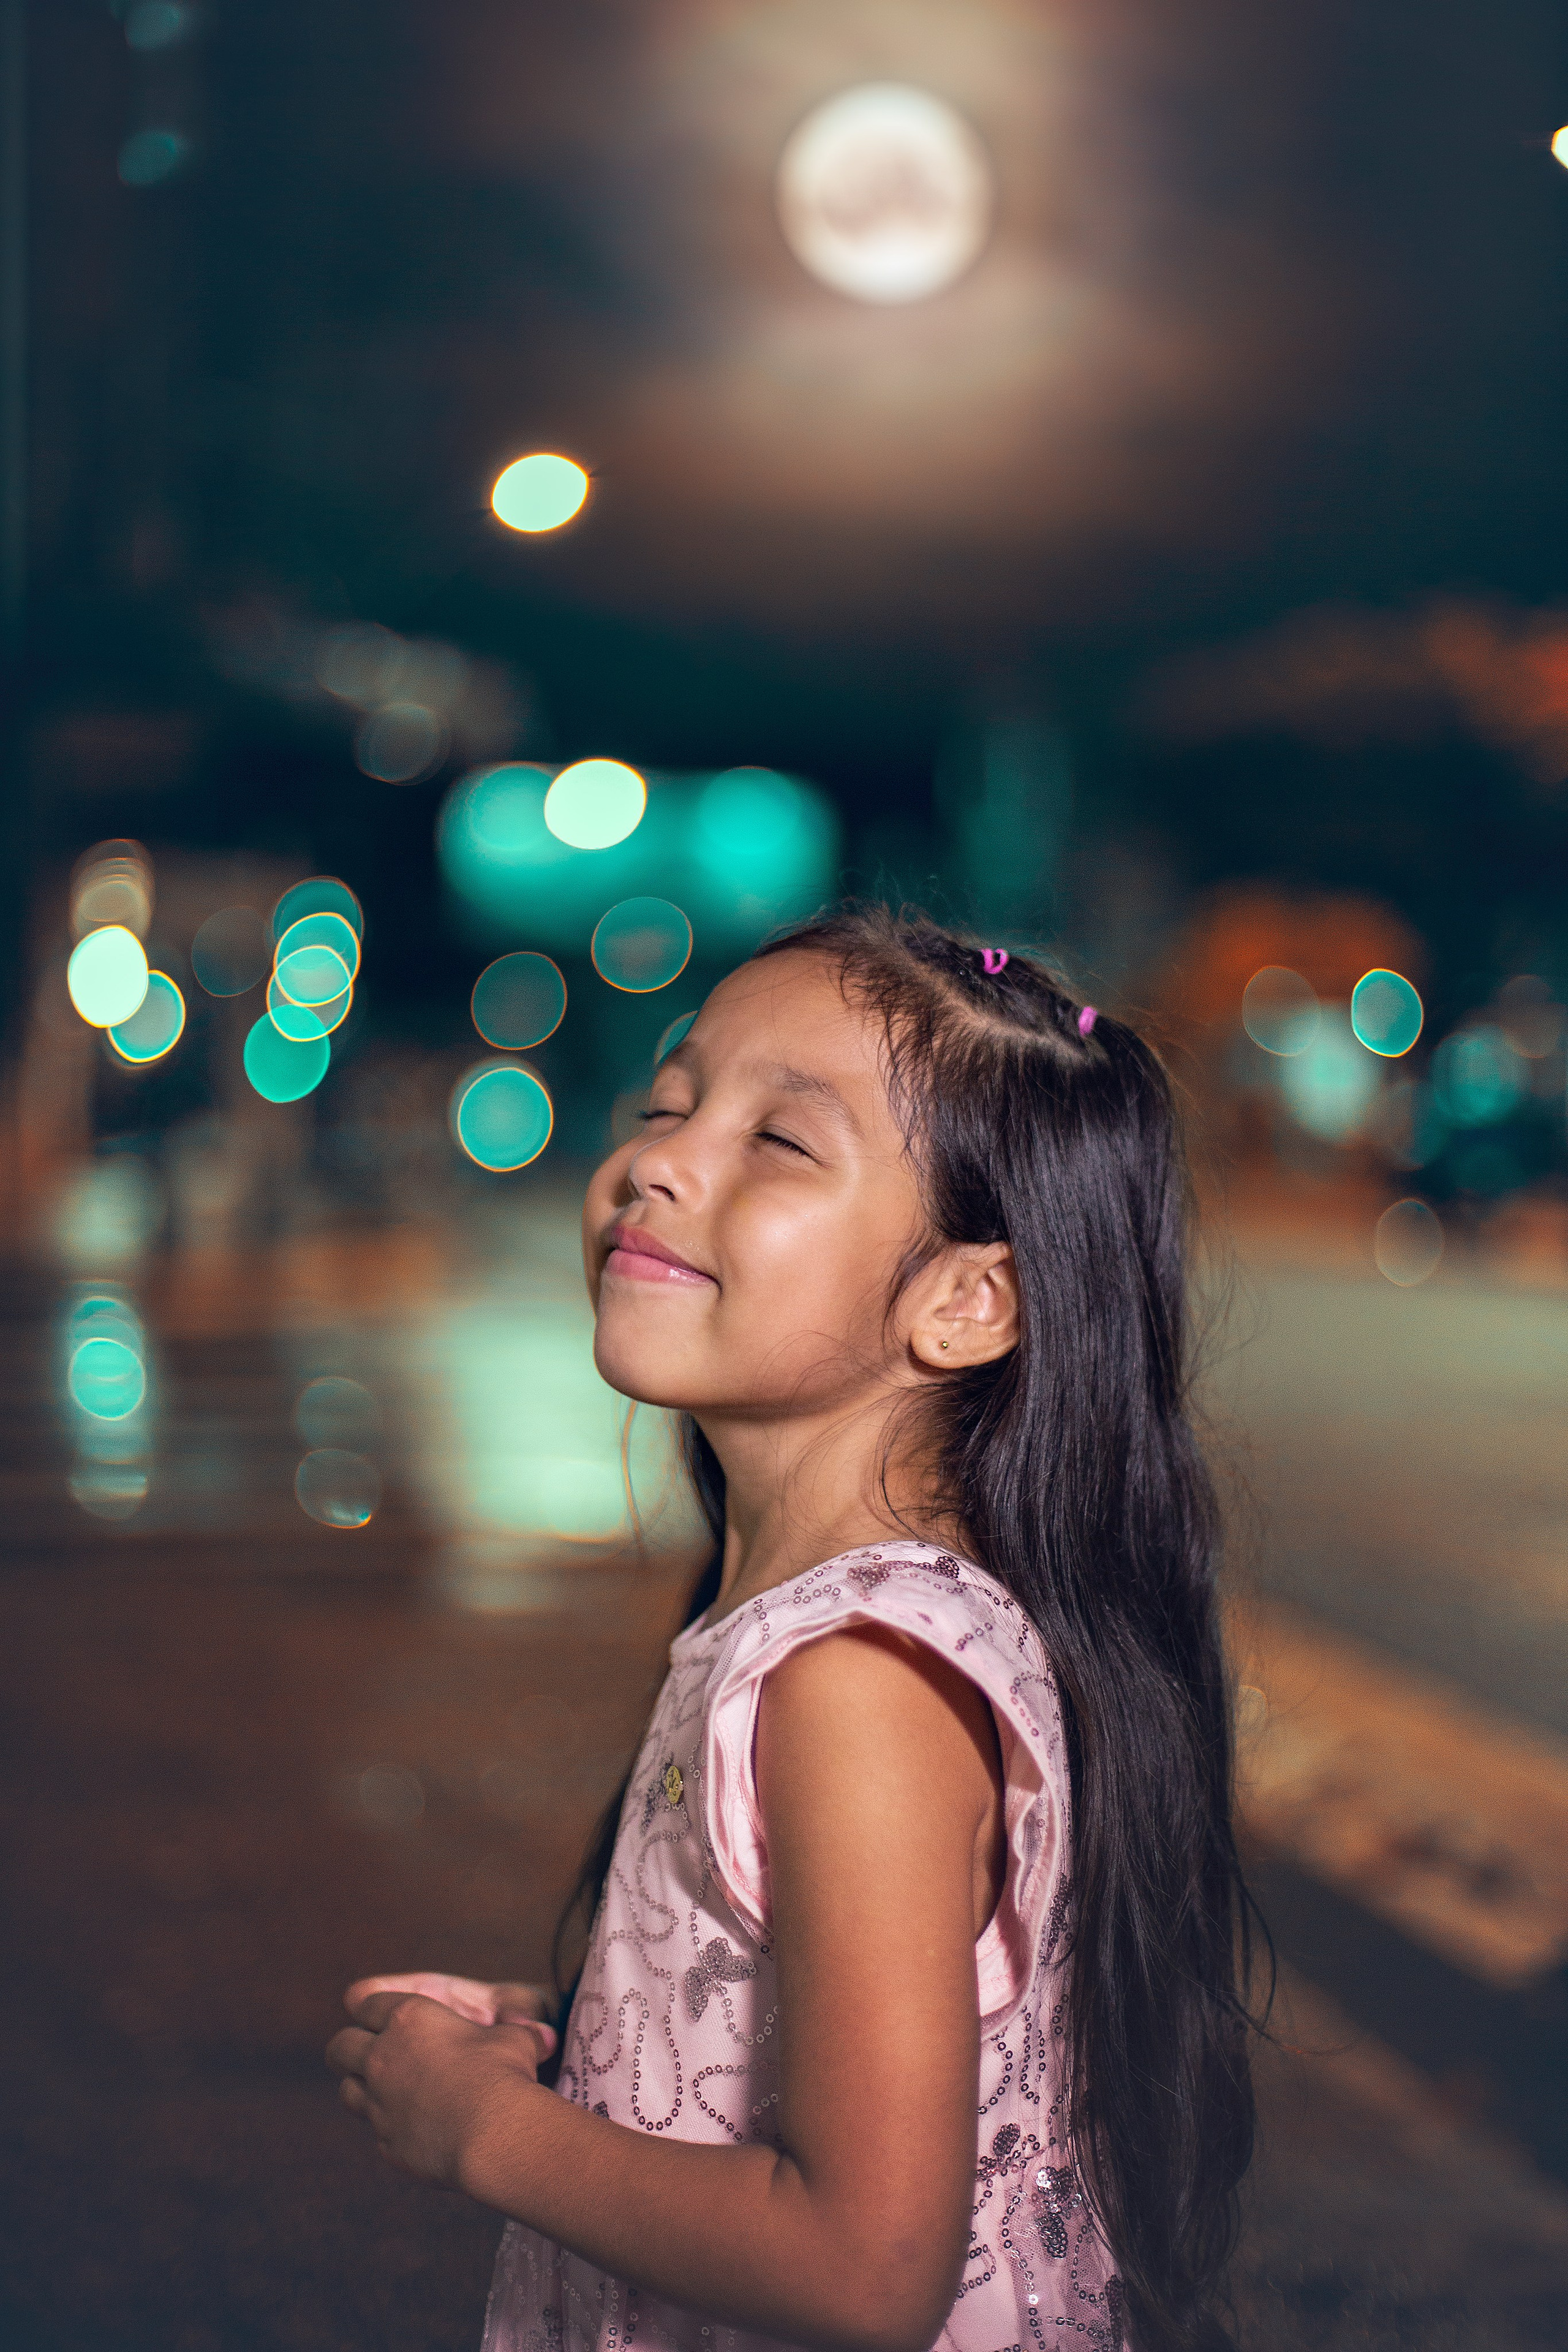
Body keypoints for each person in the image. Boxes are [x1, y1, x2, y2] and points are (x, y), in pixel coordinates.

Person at [327, 907, 1259, 2352]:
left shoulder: (857, 1681)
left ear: (963, 1301)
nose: (656, 1161)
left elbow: (864, 2266)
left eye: (780, 1143)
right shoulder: (817, 1626)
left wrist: (483, 2134)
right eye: (668, 1103)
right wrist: (587, 2040)